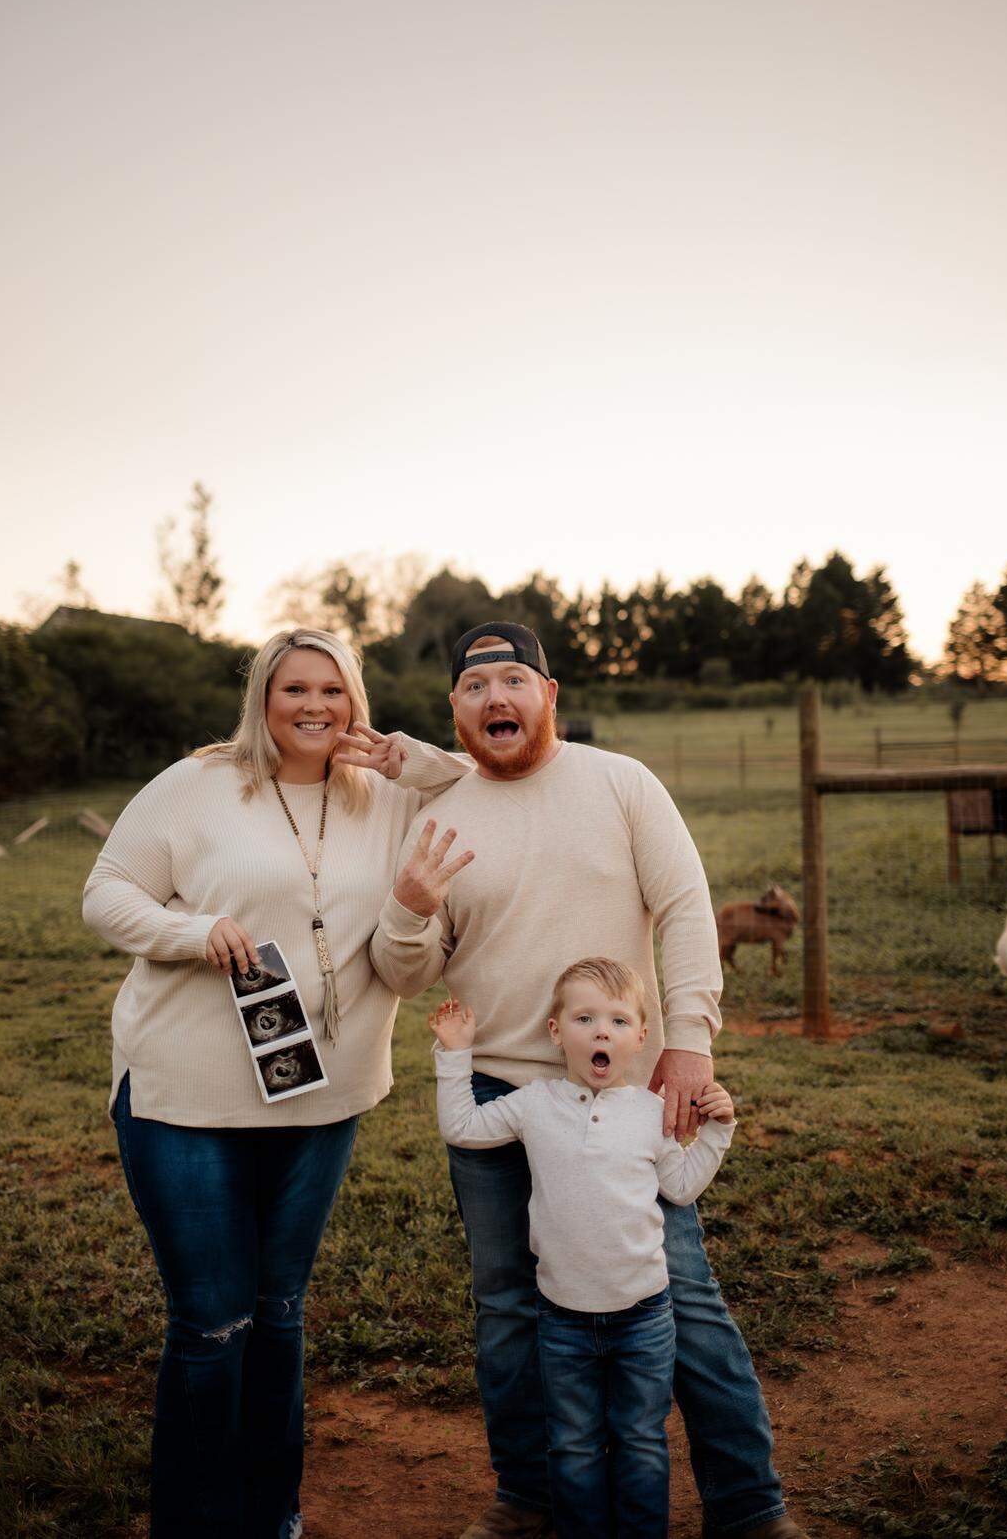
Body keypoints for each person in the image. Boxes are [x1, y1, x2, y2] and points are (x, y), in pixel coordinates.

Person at [371, 621, 809, 1539]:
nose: (496, 697)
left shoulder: (621, 783)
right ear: (455, 710)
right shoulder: (438, 814)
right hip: (497, 1091)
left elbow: (685, 908)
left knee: (681, 1291)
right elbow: (410, 972)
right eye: (476, 685)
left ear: (549, 695)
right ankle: (528, 1496)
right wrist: (408, 912)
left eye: (513, 680)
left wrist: (690, 1042)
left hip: (626, 1094)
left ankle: (748, 1507)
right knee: (507, 1306)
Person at [82, 628, 469, 1539]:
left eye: (333, 690)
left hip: (322, 1096)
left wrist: (407, 758)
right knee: (213, 1324)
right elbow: (106, 893)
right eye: (294, 688)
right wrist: (192, 931)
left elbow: (481, 781)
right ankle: (194, 1522)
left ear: (356, 702)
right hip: (187, 1096)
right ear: (263, 697)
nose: (314, 706)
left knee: (280, 1312)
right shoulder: (200, 783)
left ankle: (272, 1515)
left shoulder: (388, 797)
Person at [430, 958, 736, 1539]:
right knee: (572, 1444)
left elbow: (680, 1187)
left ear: (641, 1038)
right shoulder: (534, 1104)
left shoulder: (650, 1114)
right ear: (556, 1031)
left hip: (644, 1317)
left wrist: (717, 1132)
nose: (602, 1032)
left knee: (640, 1439)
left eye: (619, 1021)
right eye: (585, 1018)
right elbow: (463, 1128)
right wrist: (455, 1054)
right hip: (562, 1317)